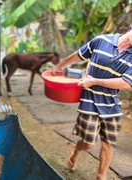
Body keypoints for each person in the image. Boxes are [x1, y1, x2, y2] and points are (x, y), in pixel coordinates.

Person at [52, 27, 132, 180]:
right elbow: (78, 55)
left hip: (111, 102)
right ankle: (76, 150)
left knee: (109, 143)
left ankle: (101, 177)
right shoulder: (102, 40)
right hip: (90, 98)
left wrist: (94, 81)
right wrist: (59, 66)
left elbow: (126, 83)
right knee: (89, 143)